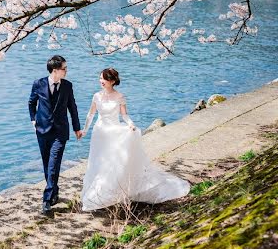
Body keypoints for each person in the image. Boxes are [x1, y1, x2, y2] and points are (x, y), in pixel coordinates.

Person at [81, 67, 190, 211]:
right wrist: (84, 130)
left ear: (112, 81)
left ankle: (113, 191)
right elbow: (91, 114)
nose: (101, 81)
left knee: (113, 162)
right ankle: (97, 193)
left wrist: (131, 124)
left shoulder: (120, 96)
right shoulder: (96, 96)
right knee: (98, 161)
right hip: (100, 132)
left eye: (104, 79)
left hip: (114, 131)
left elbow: (124, 115)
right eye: (100, 78)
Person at [29, 55, 82, 215]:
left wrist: (76, 128)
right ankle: (54, 192)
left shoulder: (67, 86)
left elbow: (72, 107)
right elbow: (31, 103)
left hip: (60, 131)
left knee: (54, 163)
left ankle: (46, 200)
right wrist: (33, 120)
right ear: (55, 70)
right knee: (47, 164)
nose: (66, 71)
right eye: (64, 68)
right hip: (42, 131)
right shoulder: (38, 84)